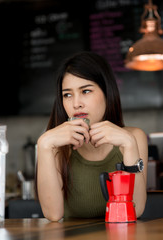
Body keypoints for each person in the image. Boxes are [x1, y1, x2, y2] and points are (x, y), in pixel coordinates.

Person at [36, 51, 148, 221]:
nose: (76, 103)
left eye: (86, 91)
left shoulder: (133, 137)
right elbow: (53, 214)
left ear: (107, 92)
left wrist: (129, 144)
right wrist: (43, 144)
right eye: (67, 94)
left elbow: (136, 209)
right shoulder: (54, 145)